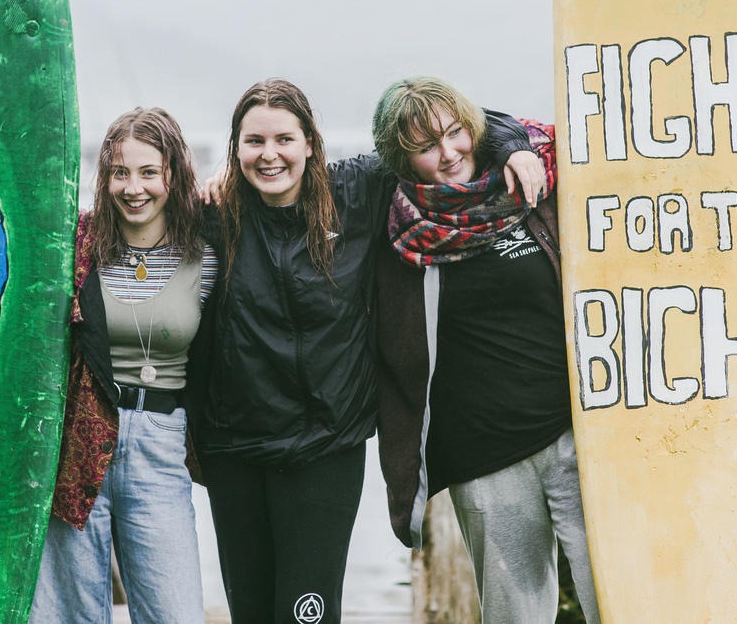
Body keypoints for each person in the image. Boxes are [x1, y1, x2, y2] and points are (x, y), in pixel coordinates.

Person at [368, 76, 737, 623]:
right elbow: (305, 190)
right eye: (426, 147)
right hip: (483, 458)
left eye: (456, 132)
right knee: (516, 616)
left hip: (581, 437)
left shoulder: (530, 184)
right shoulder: (393, 224)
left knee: (625, 601)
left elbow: (644, 178)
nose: (448, 153)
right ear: (402, 158)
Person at [190, 77, 541, 624]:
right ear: (235, 151)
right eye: (254, 142)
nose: (270, 155)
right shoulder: (215, 215)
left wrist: (515, 146)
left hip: (326, 447)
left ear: (310, 141)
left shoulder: (356, 191)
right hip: (235, 448)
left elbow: (449, 125)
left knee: (307, 614)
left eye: (284, 139)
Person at [30, 107, 217, 624]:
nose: (133, 187)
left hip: (161, 443)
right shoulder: (77, 245)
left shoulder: (206, 251)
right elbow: (7, 274)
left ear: (173, 173)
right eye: (120, 172)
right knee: (70, 615)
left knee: (175, 613)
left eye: (148, 172)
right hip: (78, 442)